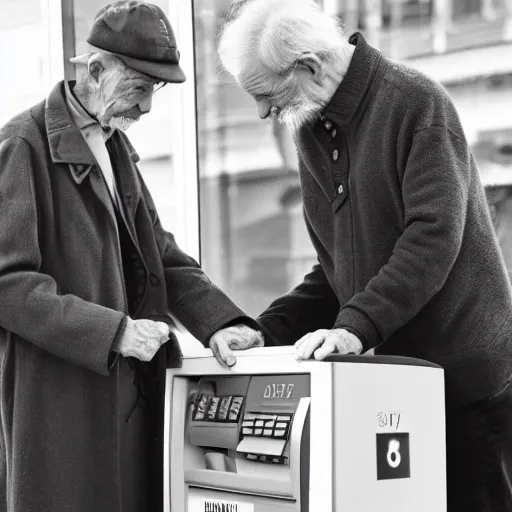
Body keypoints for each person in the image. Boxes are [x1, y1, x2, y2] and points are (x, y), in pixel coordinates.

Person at [218, 0, 512, 510]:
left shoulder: (416, 103)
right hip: (398, 389)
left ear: (308, 67)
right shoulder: (312, 128)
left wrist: (354, 327)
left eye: (265, 94)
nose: (263, 112)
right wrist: (263, 333)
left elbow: (432, 239)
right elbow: (338, 268)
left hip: (466, 384)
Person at [0, 1, 263, 511]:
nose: (146, 108)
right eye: (139, 89)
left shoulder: (113, 142)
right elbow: (8, 285)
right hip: (61, 414)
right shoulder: (20, 146)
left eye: (153, 91)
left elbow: (156, 252)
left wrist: (217, 321)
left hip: (128, 403)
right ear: (94, 71)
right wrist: (115, 331)